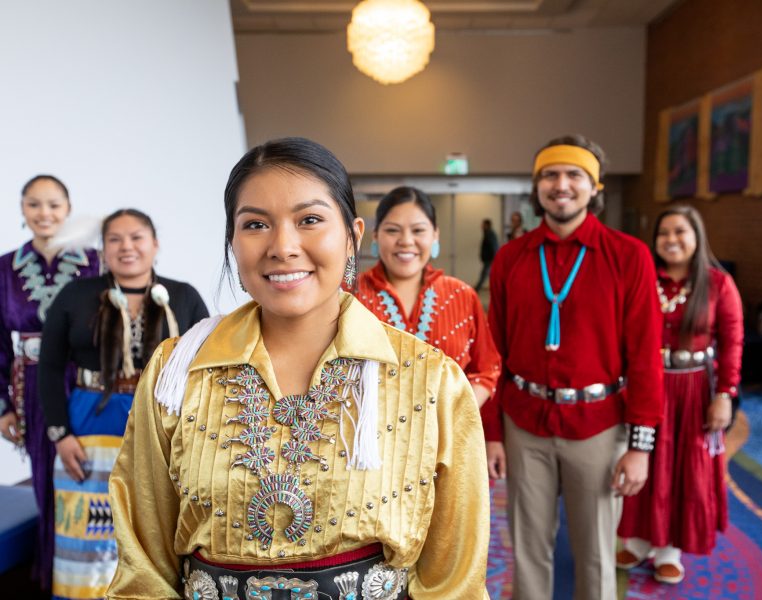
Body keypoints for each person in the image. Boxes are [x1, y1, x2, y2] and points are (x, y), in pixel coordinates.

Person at [106, 138, 490, 600]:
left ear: (353, 236)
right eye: (255, 224)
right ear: (232, 240)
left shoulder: (430, 381)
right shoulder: (177, 373)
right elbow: (144, 567)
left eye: (309, 220)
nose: (283, 247)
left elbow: (456, 581)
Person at [483, 135, 664, 600]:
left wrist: (641, 445)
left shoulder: (628, 256)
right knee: (527, 549)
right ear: (536, 185)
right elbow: (493, 354)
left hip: (600, 426)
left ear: (593, 186)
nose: (560, 185)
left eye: (574, 175)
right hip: (525, 423)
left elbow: (645, 356)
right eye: (549, 175)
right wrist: (493, 433)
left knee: (597, 552)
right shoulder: (511, 258)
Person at [38, 208, 208, 600]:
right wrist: (60, 435)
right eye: (115, 239)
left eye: (136, 237)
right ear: (103, 248)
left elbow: (203, 366)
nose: (126, 247)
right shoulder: (76, 295)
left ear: (155, 244)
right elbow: (48, 368)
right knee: (88, 529)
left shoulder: (183, 296)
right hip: (88, 422)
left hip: (161, 424)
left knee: (153, 521)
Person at [617, 205, 743, 584]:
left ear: (696, 238)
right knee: (644, 463)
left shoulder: (718, 284)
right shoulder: (643, 278)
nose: (671, 240)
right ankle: (639, 540)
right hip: (647, 385)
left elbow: (733, 342)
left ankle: (670, 550)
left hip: (693, 390)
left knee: (685, 467)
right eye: (664, 233)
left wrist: (725, 394)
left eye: (680, 232)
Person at [0, 175, 101, 592]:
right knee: (45, 475)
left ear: (68, 208)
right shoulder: (4, 268)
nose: (45, 214)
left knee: (93, 475)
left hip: (86, 386)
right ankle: (54, 577)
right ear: (23, 210)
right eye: (35, 205)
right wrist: (3, 405)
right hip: (31, 389)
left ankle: (98, 577)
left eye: (54, 205)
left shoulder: (97, 261)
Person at [355, 186, 500, 408]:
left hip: (446, 438)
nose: (406, 241)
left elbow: (486, 369)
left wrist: (456, 416)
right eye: (392, 230)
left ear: (435, 235)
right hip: (365, 438)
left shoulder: (461, 295)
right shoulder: (349, 295)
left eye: (418, 230)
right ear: (375, 235)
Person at [474, 218, 499, 291]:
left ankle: (475, 291)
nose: (481, 226)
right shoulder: (487, 233)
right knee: (488, 276)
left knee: (484, 276)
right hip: (489, 259)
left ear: (487, 225)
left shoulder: (489, 234)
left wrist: (494, 258)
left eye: (483, 224)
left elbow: (494, 246)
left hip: (490, 260)